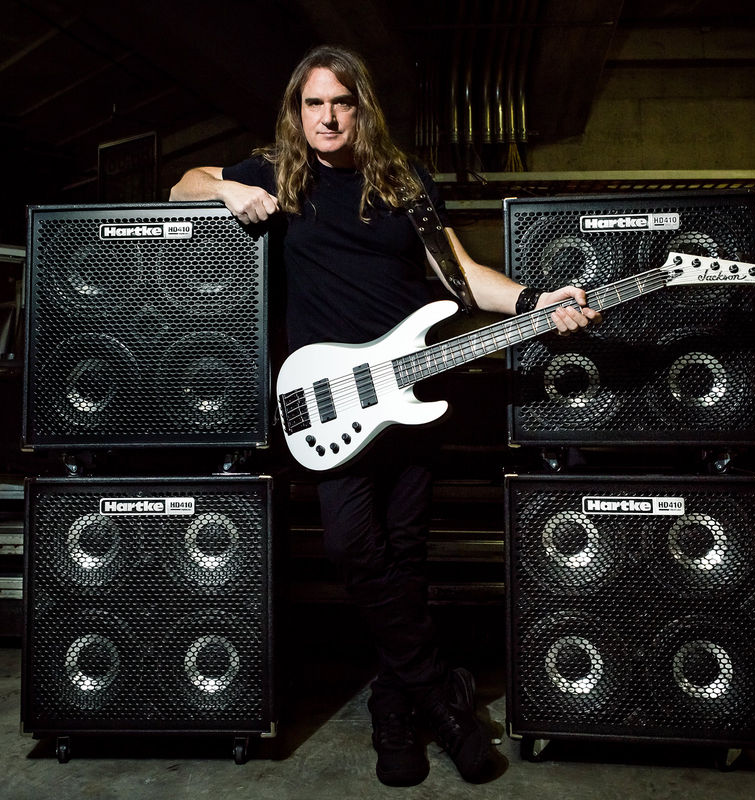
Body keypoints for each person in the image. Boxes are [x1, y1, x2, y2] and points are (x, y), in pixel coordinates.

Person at [170, 44, 601, 786]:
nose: (328, 116)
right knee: (351, 548)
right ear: (296, 112)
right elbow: (178, 186)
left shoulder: (404, 182)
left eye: (341, 102)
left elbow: (460, 277)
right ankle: (442, 697)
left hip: (410, 397)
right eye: (314, 104)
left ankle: (394, 708)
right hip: (332, 399)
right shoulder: (276, 172)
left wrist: (536, 300)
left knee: (405, 557)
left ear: (361, 107)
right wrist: (223, 192)